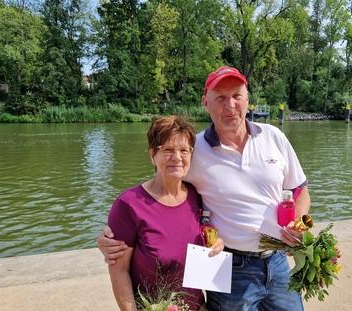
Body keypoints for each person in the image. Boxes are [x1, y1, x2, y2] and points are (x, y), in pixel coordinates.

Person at [99, 66, 310, 311]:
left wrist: (299, 223)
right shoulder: (193, 148)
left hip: (278, 262)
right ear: (205, 103)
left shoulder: (274, 136)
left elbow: (299, 189)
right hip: (231, 267)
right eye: (220, 98)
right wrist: (116, 231)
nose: (230, 105)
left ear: (248, 99)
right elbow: (161, 186)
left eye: (236, 96)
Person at [106, 115, 224, 311]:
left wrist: (217, 244)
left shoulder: (197, 195)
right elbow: (118, 270)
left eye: (184, 150)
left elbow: (204, 235)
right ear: (153, 154)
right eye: (168, 150)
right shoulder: (129, 204)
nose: (177, 158)